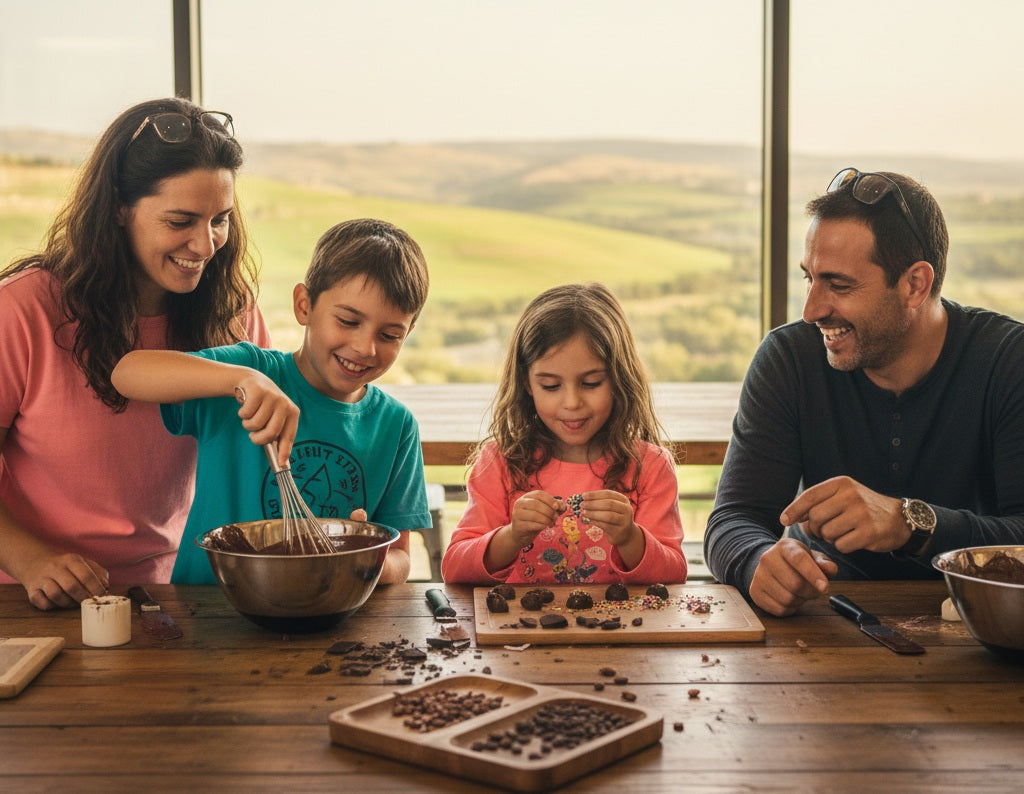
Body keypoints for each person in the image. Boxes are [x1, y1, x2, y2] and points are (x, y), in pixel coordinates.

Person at [704, 167, 1024, 616]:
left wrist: (909, 523)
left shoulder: (1008, 361)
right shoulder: (788, 357)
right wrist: (757, 561)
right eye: (808, 278)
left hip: (977, 631)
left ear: (915, 284)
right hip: (822, 622)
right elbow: (733, 519)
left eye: (838, 285)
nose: (812, 309)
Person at [0, 97, 270, 610]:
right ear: (120, 208)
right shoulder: (21, 311)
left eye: (221, 219)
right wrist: (31, 561)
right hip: (32, 600)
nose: (206, 244)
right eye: (181, 221)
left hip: (181, 592)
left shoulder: (235, 312)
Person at [112, 217, 431, 585]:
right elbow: (127, 373)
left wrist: (364, 559)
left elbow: (402, 558)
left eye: (390, 334)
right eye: (347, 321)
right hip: (207, 614)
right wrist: (241, 380)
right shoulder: (250, 372)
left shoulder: (396, 427)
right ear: (304, 306)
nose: (365, 347)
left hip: (327, 621)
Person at [442, 282, 686, 585]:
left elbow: (674, 575)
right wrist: (512, 536)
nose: (572, 403)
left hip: (621, 632)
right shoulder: (500, 461)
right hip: (522, 632)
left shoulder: (651, 466)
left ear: (618, 379)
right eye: (551, 386)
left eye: (591, 383)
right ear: (527, 384)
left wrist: (630, 537)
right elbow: (454, 568)